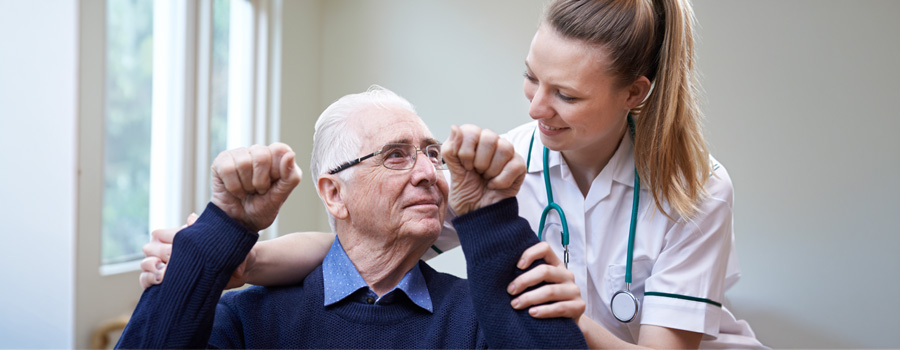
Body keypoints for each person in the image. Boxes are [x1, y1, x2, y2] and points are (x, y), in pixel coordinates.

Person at [142, 0, 768, 348]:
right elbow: (358, 244)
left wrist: (568, 319)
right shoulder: (511, 161)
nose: (535, 107)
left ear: (635, 92)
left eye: (566, 96)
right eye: (530, 77)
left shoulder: (697, 188)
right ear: (331, 190)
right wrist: (225, 255)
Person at [116, 86, 587, 349]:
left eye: (432, 154)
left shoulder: (477, 317)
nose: (429, 173)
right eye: (396, 156)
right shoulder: (248, 318)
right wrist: (223, 230)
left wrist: (491, 217)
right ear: (335, 194)